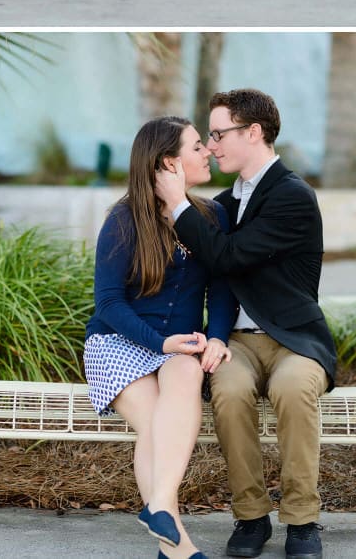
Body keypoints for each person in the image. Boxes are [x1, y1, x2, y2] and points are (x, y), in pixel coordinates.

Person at [155, 88, 336, 559]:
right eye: (209, 137)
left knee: (294, 390)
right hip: (237, 339)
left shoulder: (292, 196)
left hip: (294, 339)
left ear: (253, 133)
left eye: (218, 134)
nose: (211, 146)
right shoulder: (221, 203)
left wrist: (178, 204)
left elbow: (228, 255)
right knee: (228, 390)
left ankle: (302, 521)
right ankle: (251, 516)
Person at [83, 116, 236, 559]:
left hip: (178, 348)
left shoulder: (211, 215)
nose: (207, 150)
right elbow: (109, 304)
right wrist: (161, 343)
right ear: (169, 163)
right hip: (118, 344)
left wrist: (218, 337)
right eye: (195, 147)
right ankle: (177, 547)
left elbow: (222, 290)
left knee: (187, 371)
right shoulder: (124, 219)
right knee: (155, 426)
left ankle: (159, 508)